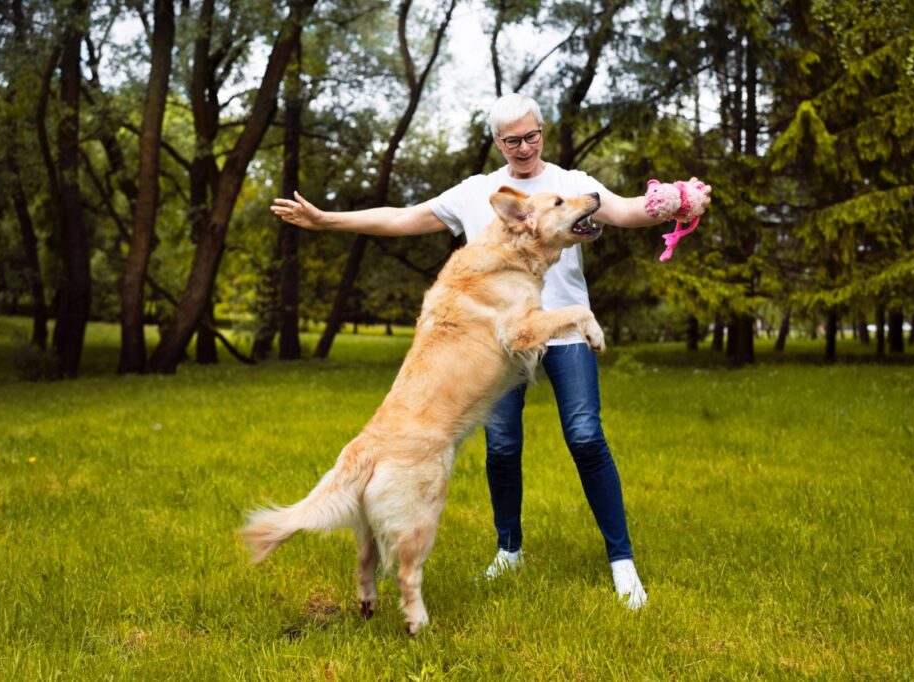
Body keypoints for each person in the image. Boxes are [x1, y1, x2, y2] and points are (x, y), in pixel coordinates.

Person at [270, 94, 711, 609]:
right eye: (511, 140)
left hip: (563, 331)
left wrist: (677, 201)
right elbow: (404, 218)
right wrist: (328, 220)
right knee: (502, 448)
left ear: (542, 132)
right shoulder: (478, 193)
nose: (523, 147)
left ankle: (622, 562)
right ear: (497, 142)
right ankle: (509, 549)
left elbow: (628, 211)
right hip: (498, 347)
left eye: (531, 136)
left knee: (586, 437)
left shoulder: (571, 184)